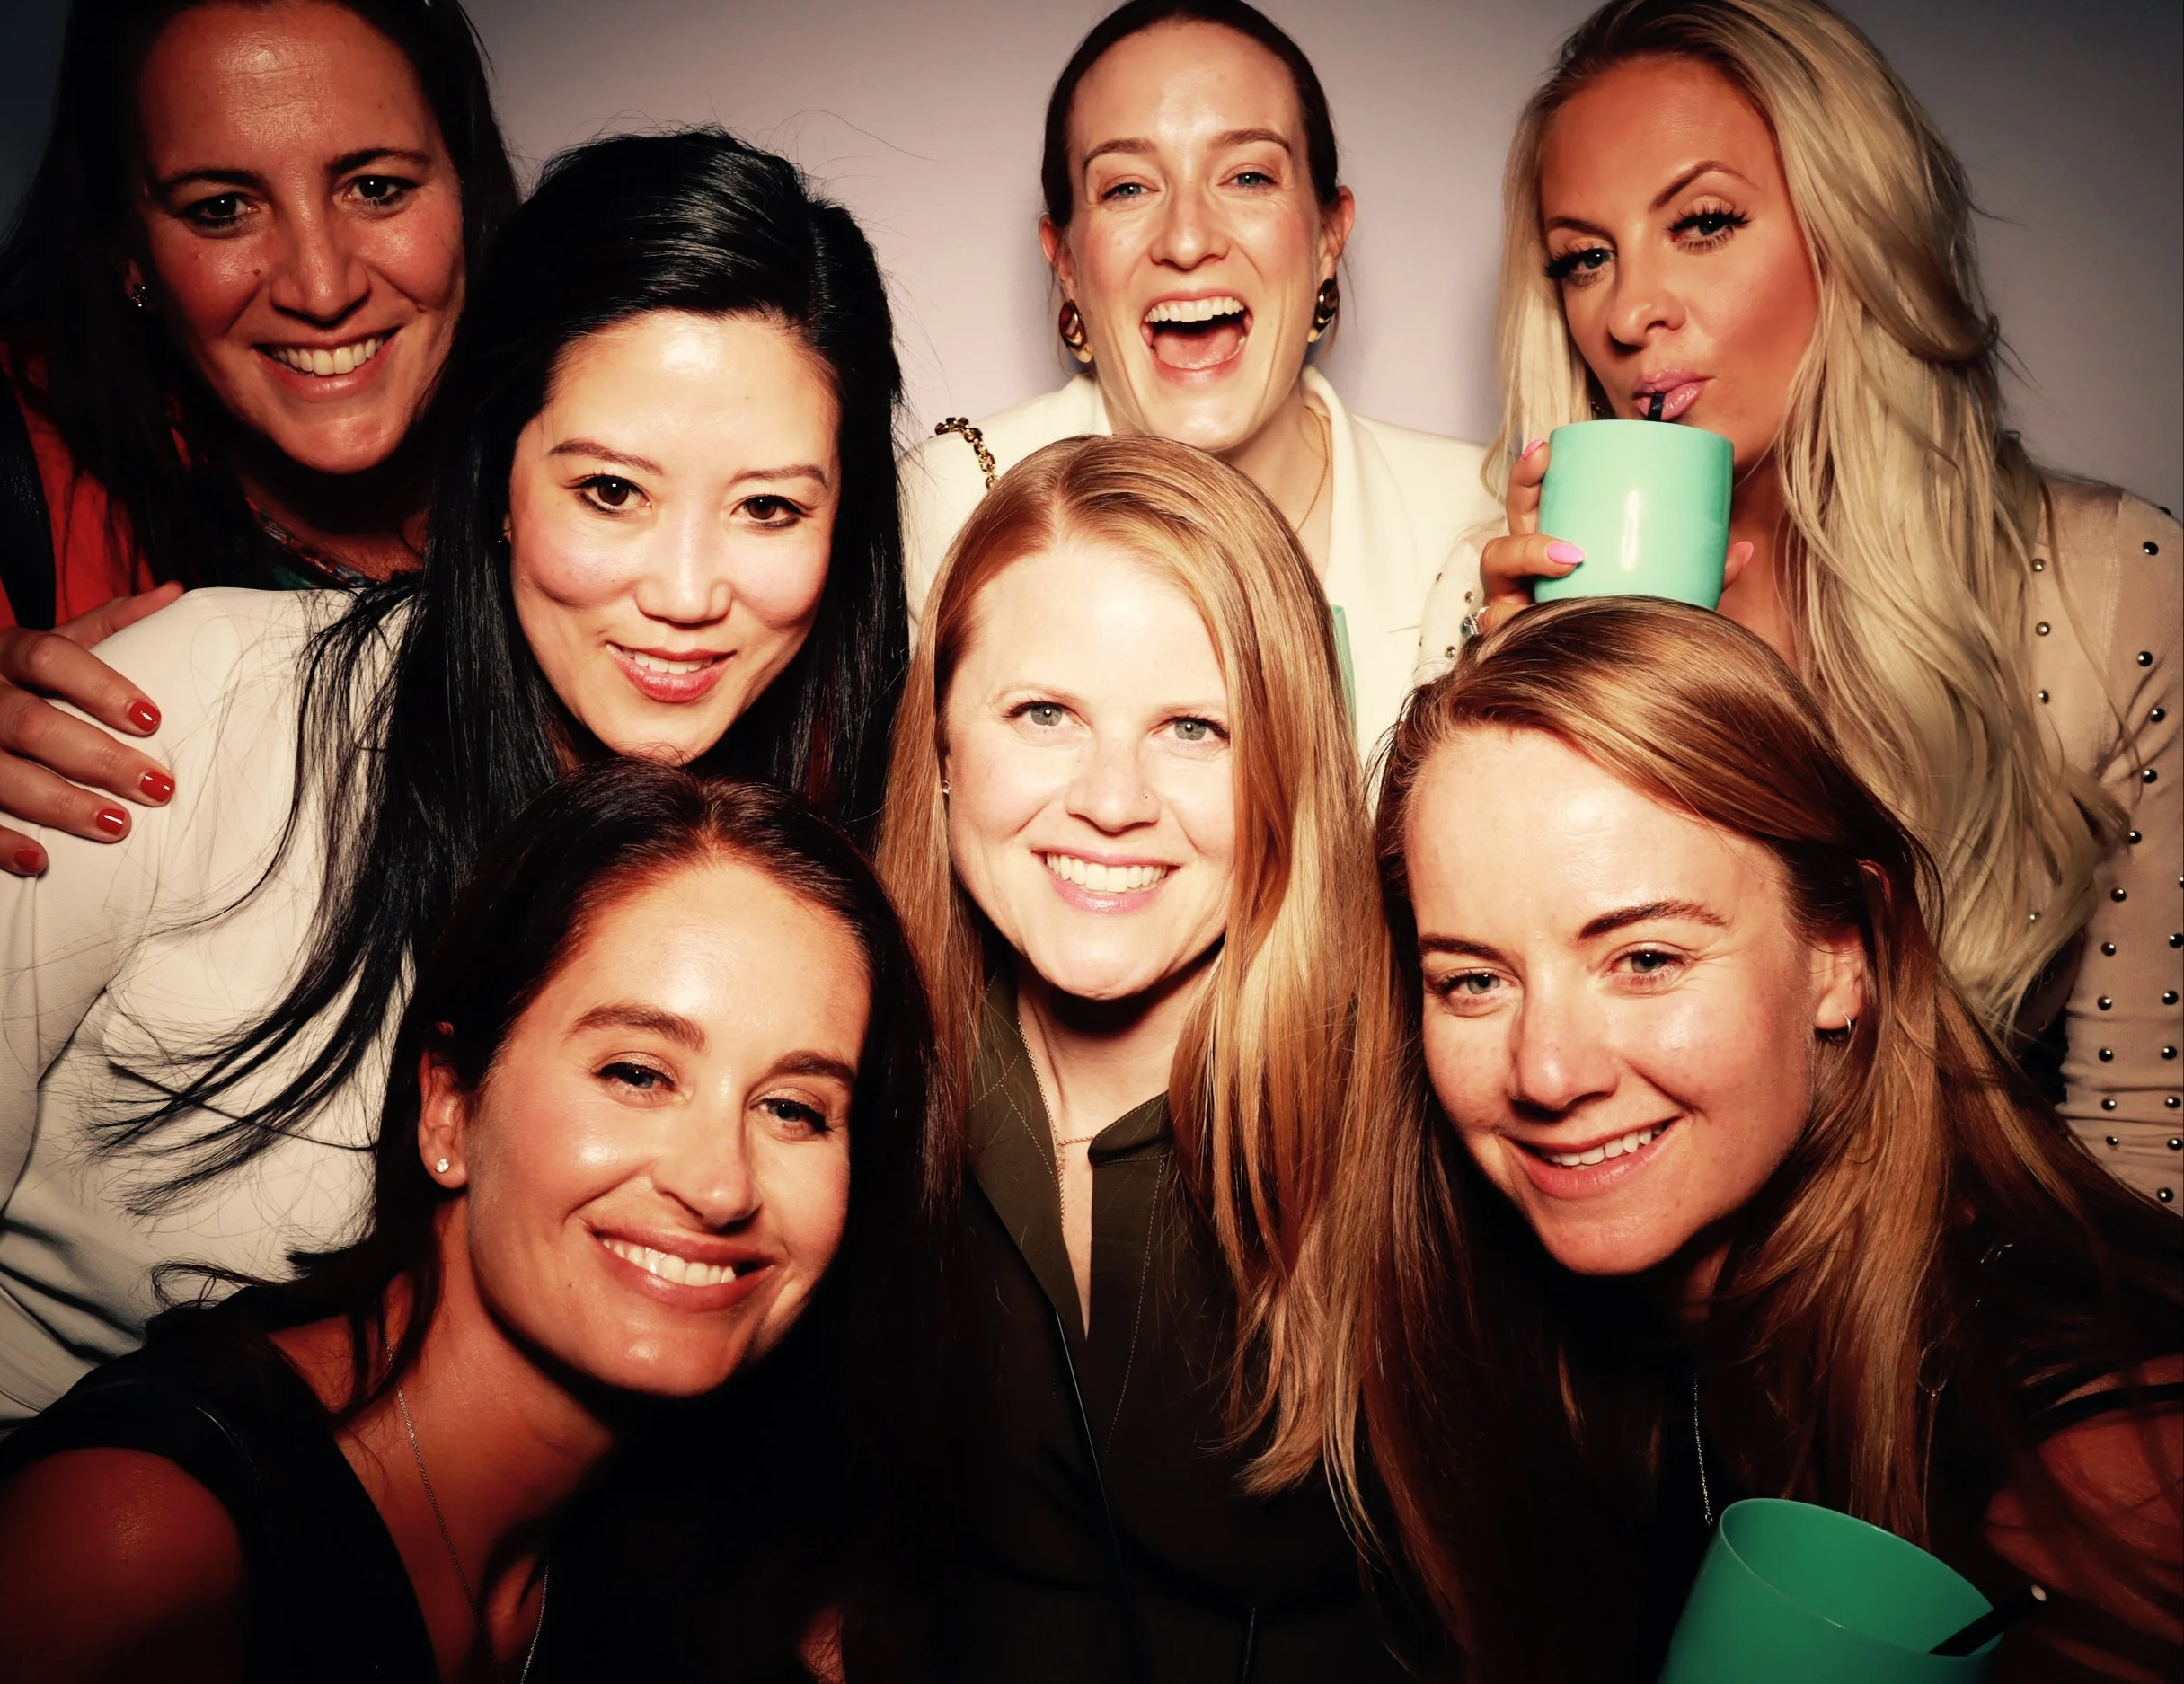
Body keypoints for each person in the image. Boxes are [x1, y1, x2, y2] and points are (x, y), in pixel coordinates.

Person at [0, 128, 909, 1494]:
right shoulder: (189, 713)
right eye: (611, 490)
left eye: (767, 508)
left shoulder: (808, 878)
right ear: (499, 481)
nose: (688, 591)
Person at [0, 760, 947, 1684]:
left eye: (794, 1109)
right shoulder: (142, 1544)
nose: (722, 1185)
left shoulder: (684, 1558)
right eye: (637, 1073)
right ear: (449, 1108)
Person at [1343, 598, 2182, 1682]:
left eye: (1645, 960)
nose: (1547, 1073)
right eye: (1473, 980)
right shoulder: (1518, 1339)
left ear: (1840, 954)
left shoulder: (2095, 1455)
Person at [1457, 0, 2180, 1195]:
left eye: (1702, 223)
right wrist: (1514, 709)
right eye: (1585, 256)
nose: (1630, 313)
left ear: (1858, 231)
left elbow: (2152, 1144)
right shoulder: (1506, 593)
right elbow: (1488, 1060)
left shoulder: (2110, 587)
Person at [881, 435, 1418, 1680]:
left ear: (1284, 765)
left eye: (1193, 725)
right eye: (1045, 712)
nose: (1112, 798)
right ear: (946, 745)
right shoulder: (837, 1088)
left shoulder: (1417, 1124)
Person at [0, 0, 517, 875]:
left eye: (376, 188)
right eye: (221, 209)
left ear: (464, 185)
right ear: (130, 250)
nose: (321, 289)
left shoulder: (621, 435)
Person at [899, 0, 1497, 764]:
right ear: (1067, 261)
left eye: (1247, 176)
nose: (1186, 240)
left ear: (1329, 236)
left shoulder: (1480, 514)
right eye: (1126, 189)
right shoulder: (951, 503)